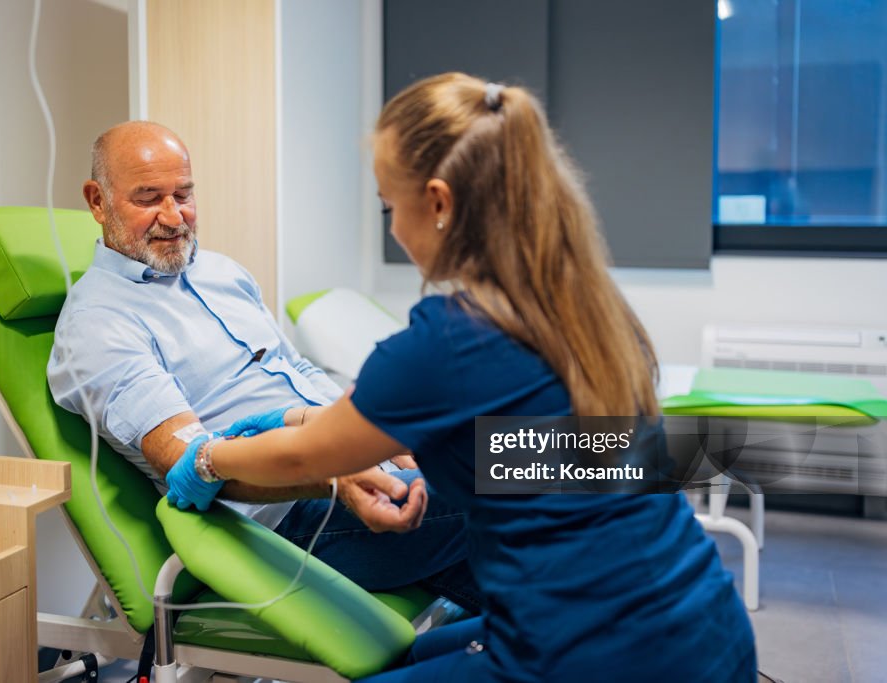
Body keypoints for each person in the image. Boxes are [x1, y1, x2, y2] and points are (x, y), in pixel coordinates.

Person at [165, 74, 757, 682]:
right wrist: (446, 465)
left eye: (390, 207)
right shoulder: (584, 308)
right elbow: (570, 454)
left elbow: (300, 462)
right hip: (705, 625)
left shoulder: (446, 343)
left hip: (602, 656)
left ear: (441, 203)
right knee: (420, 653)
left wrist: (208, 458)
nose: (392, 227)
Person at [46, 120, 479, 613]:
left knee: (553, 472)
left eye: (183, 194)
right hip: (288, 517)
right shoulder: (98, 324)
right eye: (148, 199)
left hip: (351, 455)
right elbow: (191, 462)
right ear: (98, 201)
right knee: (531, 473)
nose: (173, 216)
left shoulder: (222, 273)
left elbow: (296, 371)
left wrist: (384, 437)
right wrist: (335, 477)